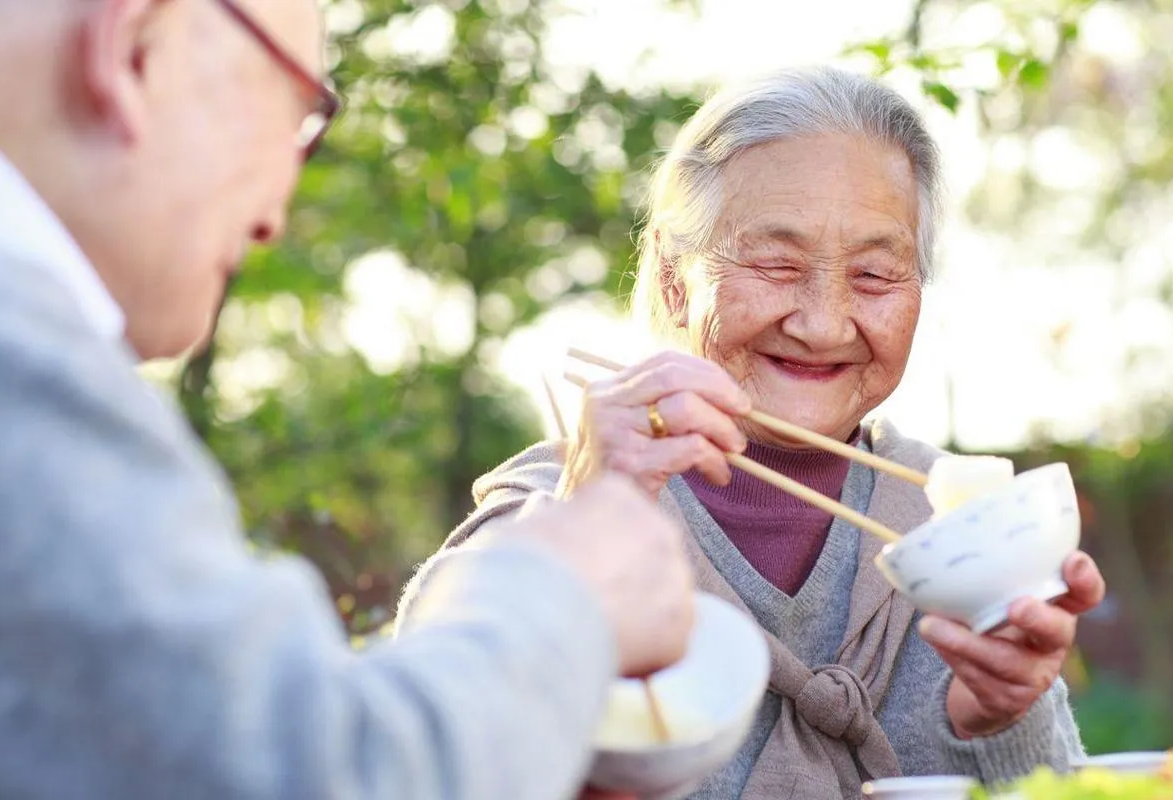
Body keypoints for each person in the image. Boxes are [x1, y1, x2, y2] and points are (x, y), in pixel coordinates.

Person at [0, 1, 695, 798]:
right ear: (136, 49)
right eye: (299, 117)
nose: (280, 210)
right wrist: (561, 602)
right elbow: (308, 773)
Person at [402, 67, 1109, 799]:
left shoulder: (956, 526)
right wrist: (580, 531)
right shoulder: (559, 498)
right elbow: (413, 742)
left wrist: (1000, 719)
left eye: (873, 275)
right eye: (776, 264)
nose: (824, 322)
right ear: (676, 280)